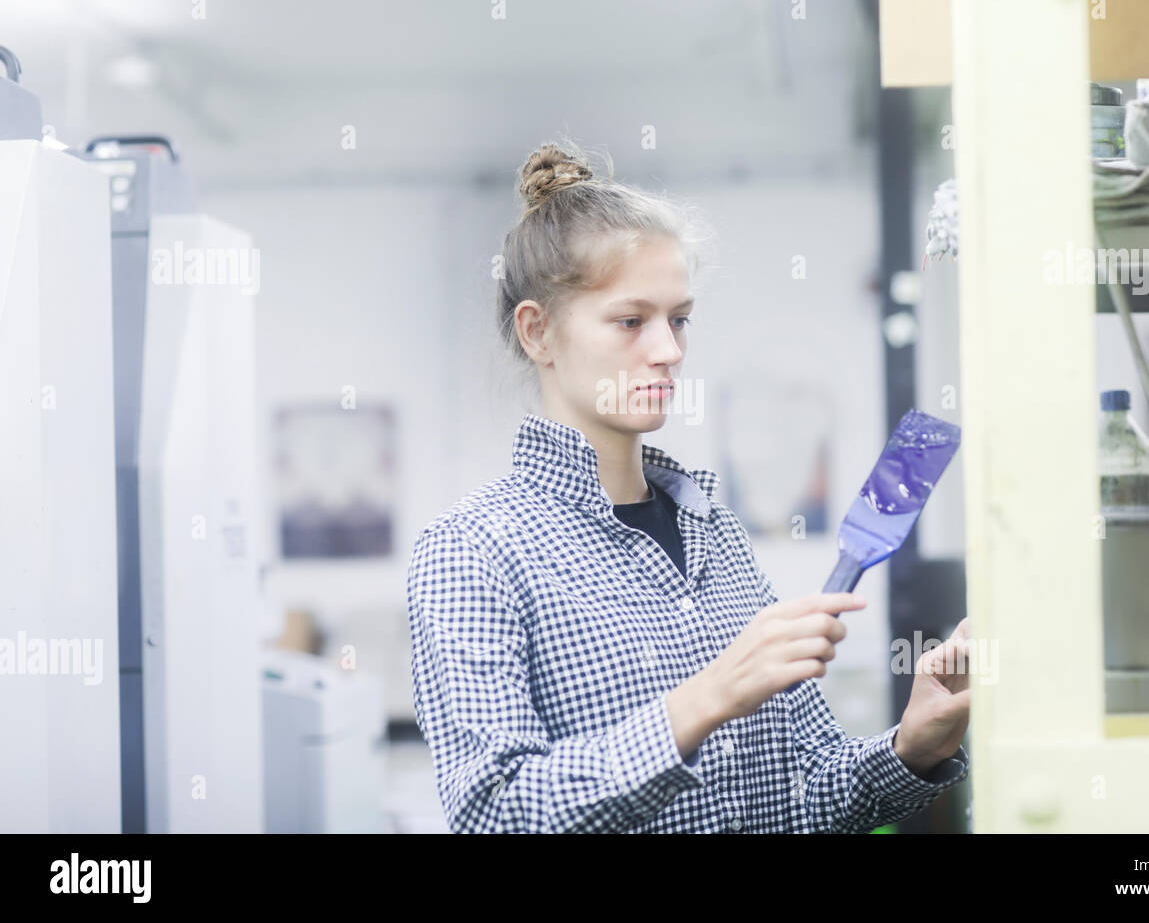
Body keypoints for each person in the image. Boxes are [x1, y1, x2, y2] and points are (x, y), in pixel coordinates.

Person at [407, 139, 972, 833]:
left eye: (678, 319)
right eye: (631, 320)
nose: (669, 351)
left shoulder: (714, 531)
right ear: (539, 333)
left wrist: (910, 748)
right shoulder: (472, 552)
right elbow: (496, 813)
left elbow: (810, 799)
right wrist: (706, 698)